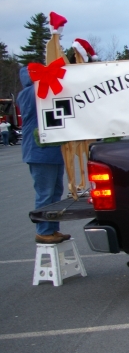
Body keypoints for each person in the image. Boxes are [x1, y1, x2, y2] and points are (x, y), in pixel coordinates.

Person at [18, 67, 71, 244]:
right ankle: (43, 230)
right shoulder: (28, 94)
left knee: (55, 193)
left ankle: (52, 228)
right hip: (39, 152)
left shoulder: (42, 91)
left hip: (52, 151)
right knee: (45, 193)